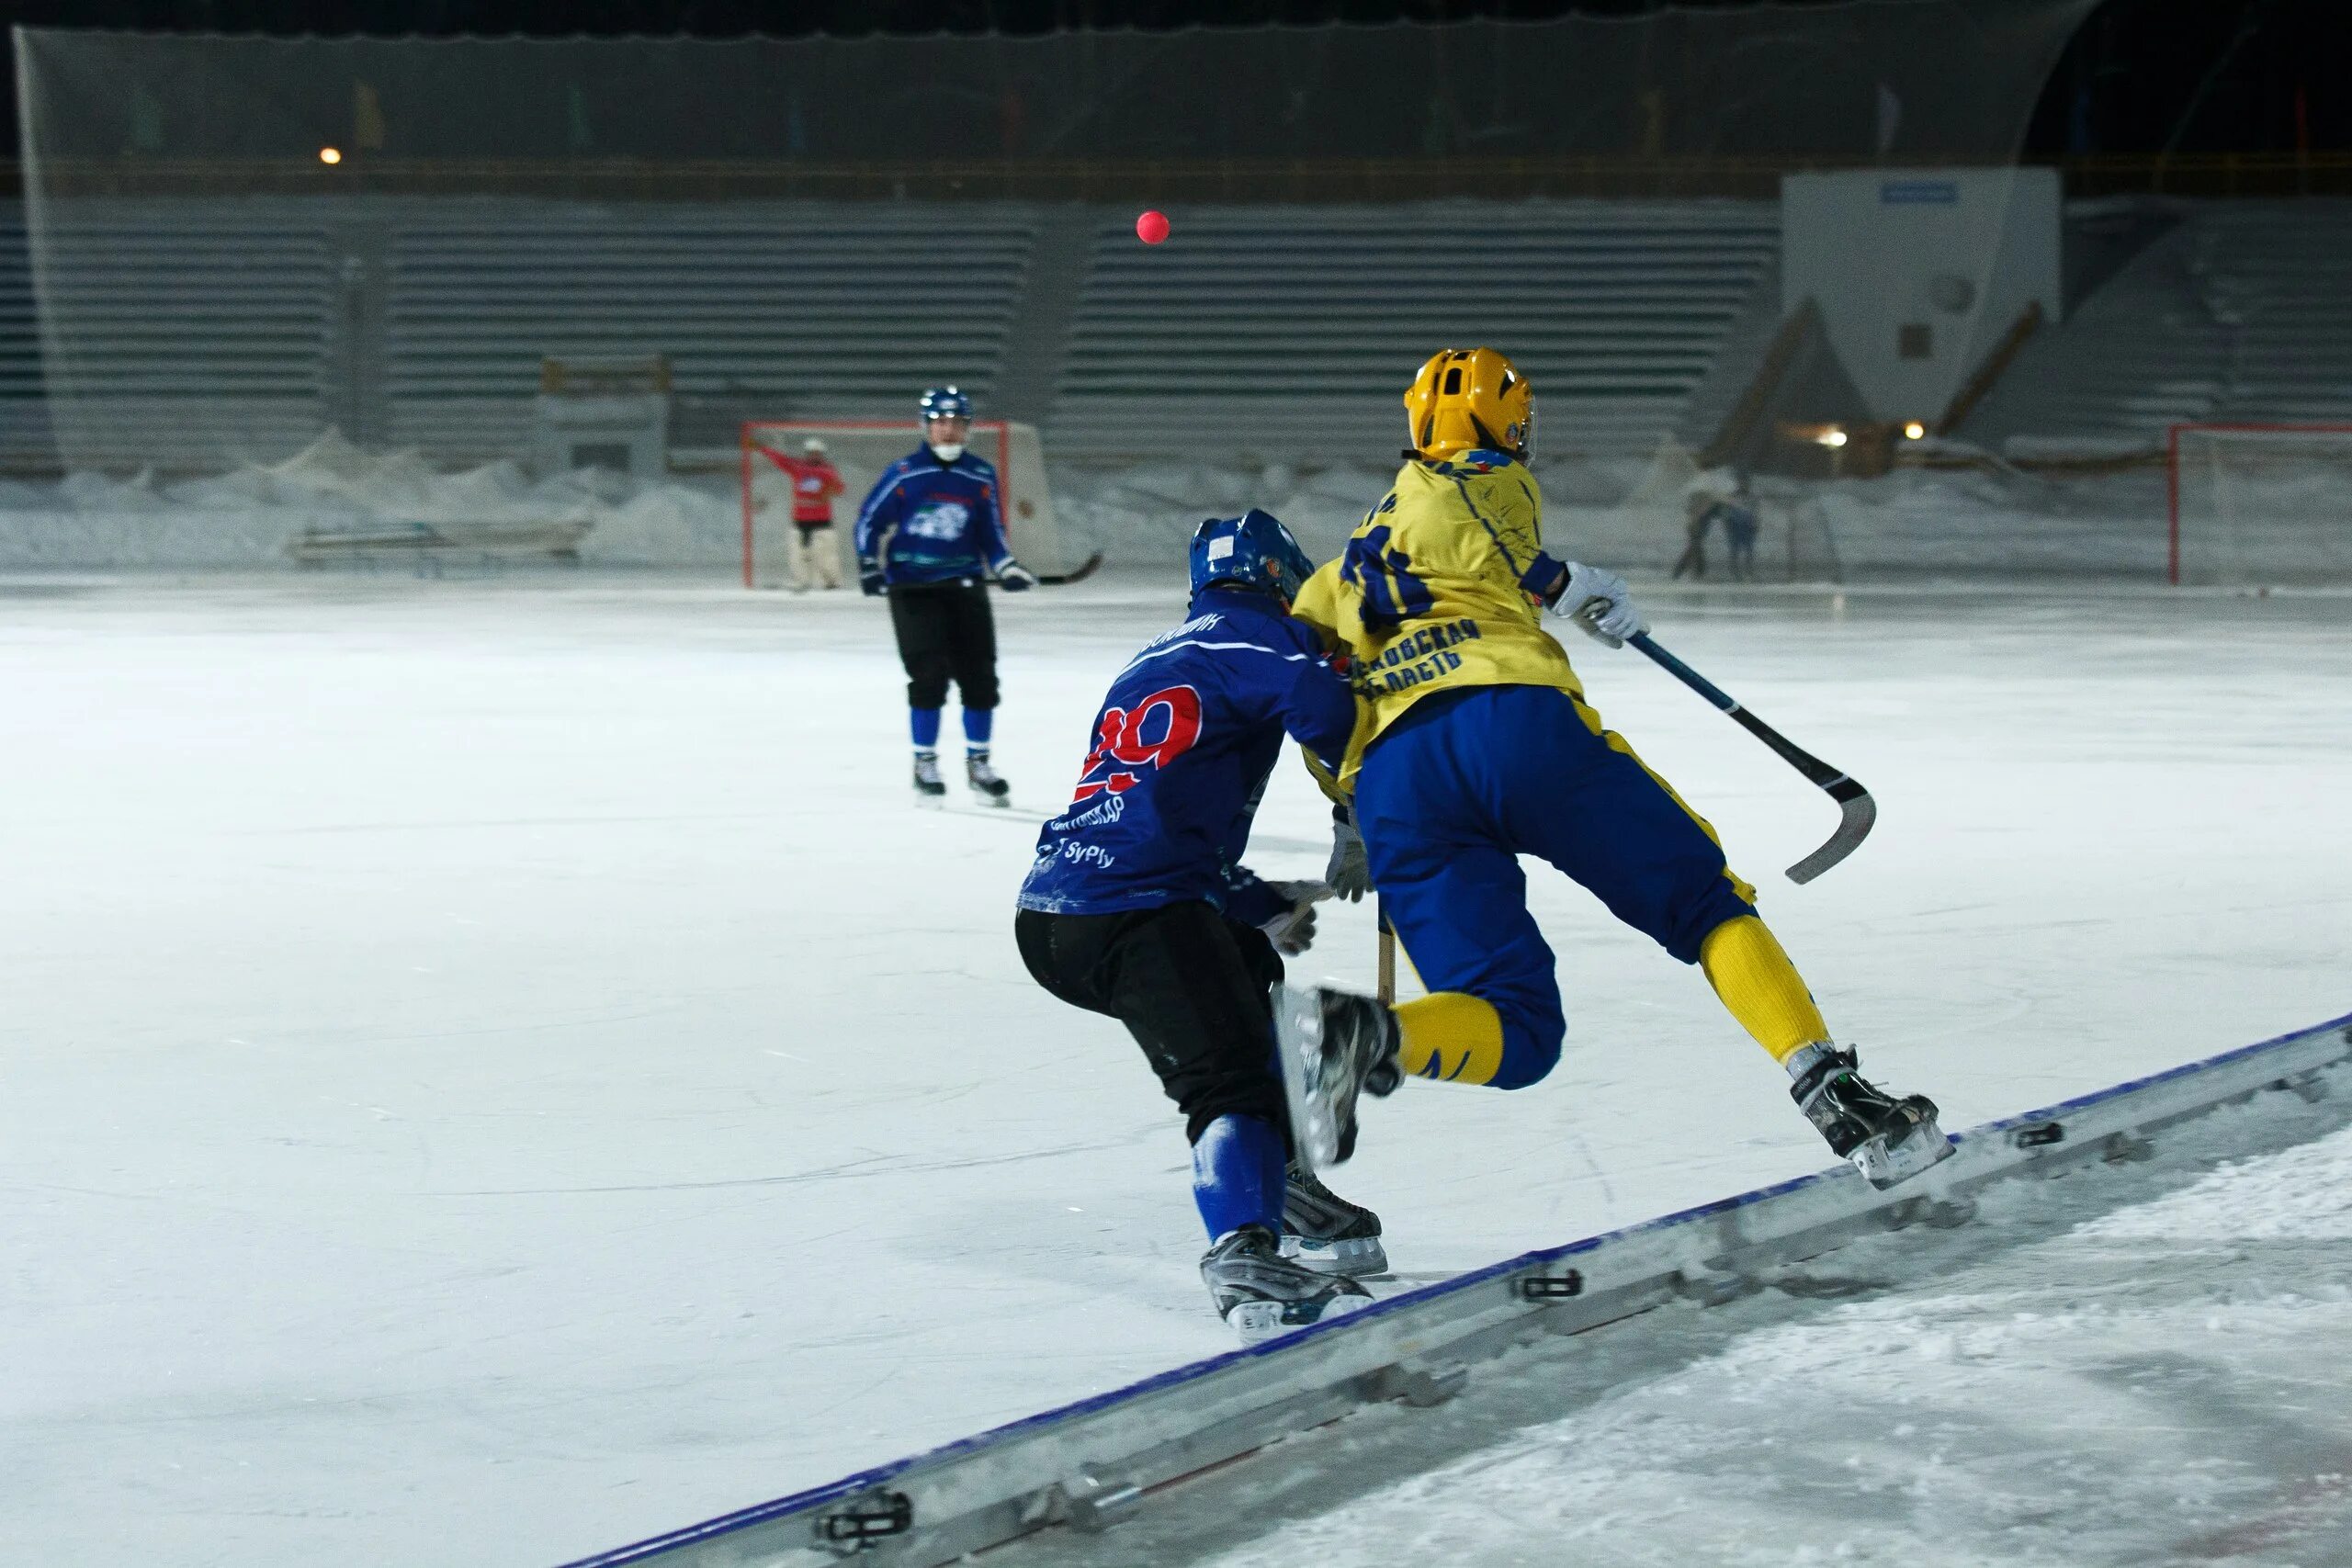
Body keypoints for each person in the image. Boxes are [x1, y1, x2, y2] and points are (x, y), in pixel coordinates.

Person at [1287, 346, 1945, 1191]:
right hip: (1511, 723)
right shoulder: (1487, 480)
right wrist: (1566, 584)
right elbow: (1485, 522)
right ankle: (1834, 1094)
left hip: (1396, 783)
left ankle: (1366, 1036)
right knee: (1705, 905)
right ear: (1495, 419)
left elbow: (1312, 711)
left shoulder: (1329, 581)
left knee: (1517, 1034)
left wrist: (1349, 817)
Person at [1014, 511, 1394, 1343]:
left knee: (1248, 966)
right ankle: (1242, 1249)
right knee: (1228, 1083)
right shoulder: (1256, 634)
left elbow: (1156, 806)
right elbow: (1324, 705)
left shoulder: (1155, 654)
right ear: (1278, 573)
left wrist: (1256, 902)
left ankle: (1282, 1180)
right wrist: (1364, 810)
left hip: (1057, 908)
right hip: (1132, 909)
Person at [854, 387, 1038, 804]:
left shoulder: (980, 475)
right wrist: (868, 564)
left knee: (980, 678)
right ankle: (925, 763)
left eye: (957, 423)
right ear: (926, 427)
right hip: (913, 590)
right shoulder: (904, 473)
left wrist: (1006, 566)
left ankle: (979, 763)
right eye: (941, 423)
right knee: (928, 675)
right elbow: (869, 520)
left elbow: (991, 534)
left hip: (965, 587)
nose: (949, 431)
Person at [753, 435, 847, 592]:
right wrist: (762, 448)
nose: (814, 455)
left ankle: (832, 581)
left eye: (817, 453)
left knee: (826, 553)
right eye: (811, 452)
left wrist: (831, 491)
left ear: (822, 454)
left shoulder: (828, 470)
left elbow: (839, 488)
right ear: (807, 453)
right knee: (797, 554)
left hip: (822, 519)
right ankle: (800, 580)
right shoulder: (798, 467)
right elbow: (780, 460)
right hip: (801, 520)